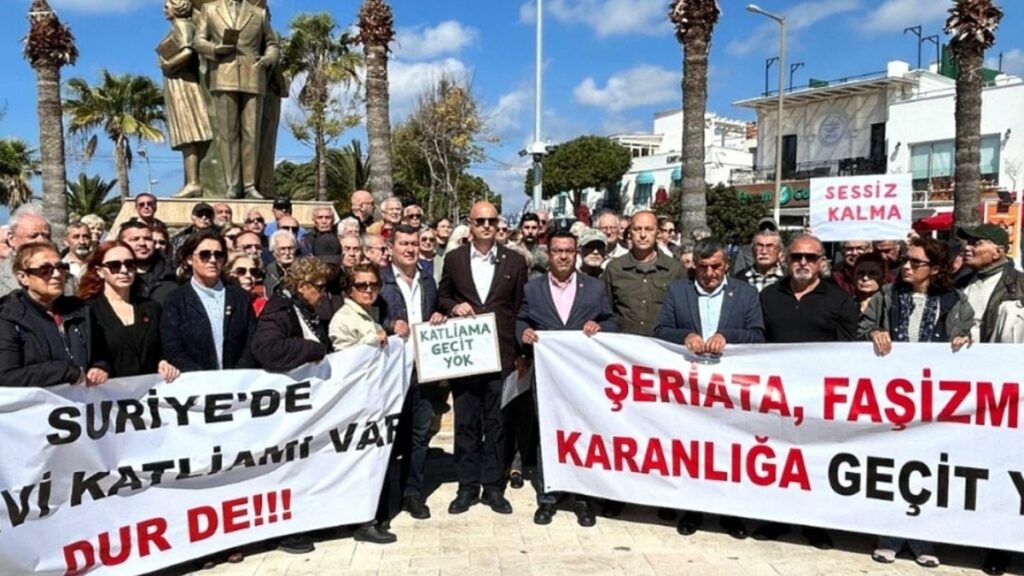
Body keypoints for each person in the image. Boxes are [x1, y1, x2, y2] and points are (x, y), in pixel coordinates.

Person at [858, 237, 972, 568]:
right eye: (906, 261)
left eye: (916, 262)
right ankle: (889, 535)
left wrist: (964, 338)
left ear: (935, 269)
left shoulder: (954, 300)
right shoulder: (888, 296)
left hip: (934, 401)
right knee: (894, 467)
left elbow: (969, 334)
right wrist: (873, 334)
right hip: (892, 399)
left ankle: (924, 538)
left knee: (928, 469)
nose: (906, 267)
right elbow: (863, 328)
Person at [653, 237, 763, 539]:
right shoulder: (678, 292)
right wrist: (684, 336)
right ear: (695, 268)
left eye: (716, 267)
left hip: (730, 388)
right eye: (704, 267)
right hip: (690, 388)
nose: (710, 273)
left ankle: (730, 514)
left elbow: (758, 336)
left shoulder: (745, 293)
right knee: (693, 449)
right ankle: (693, 509)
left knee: (730, 451)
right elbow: (660, 330)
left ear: (725, 265)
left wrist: (727, 336)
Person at [756, 234, 858, 548]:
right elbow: (756, 344)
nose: (803, 262)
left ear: (822, 263)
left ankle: (816, 524)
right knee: (779, 459)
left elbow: (850, 349)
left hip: (820, 396)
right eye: (798, 256)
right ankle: (775, 518)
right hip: (777, 396)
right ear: (785, 259)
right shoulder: (770, 295)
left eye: (811, 258)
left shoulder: (839, 299)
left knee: (815, 461)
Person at [517, 230, 618, 527]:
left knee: (584, 433)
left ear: (576, 254)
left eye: (569, 251)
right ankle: (548, 497)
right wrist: (522, 334)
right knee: (548, 433)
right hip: (547, 376)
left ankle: (584, 499)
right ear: (549, 254)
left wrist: (600, 326)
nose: (563, 256)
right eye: (558, 251)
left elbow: (611, 319)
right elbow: (522, 319)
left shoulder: (595, 288)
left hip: (584, 377)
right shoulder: (532, 289)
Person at [438, 201, 528, 516]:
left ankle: (493, 487)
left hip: (501, 357)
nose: (487, 225)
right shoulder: (454, 259)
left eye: (492, 220)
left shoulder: (515, 262)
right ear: (470, 223)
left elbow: (519, 308)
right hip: (467, 358)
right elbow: (442, 296)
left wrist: (519, 353)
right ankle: (466, 487)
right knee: (465, 424)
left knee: (498, 423)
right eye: (480, 221)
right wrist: (453, 307)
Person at [378, 225, 445, 525]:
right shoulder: (379, 280)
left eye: (414, 243)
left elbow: (437, 310)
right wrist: (391, 324)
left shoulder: (429, 280)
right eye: (403, 243)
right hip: (391, 372)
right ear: (390, 247)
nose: (409, 249)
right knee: (391, 438)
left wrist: (439, 316)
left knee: (419, 436)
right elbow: (372, 317)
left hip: (423, 370)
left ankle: (413, 493)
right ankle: (385, 496)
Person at [194, 0, 278, 199]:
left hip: (254, 76)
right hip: (223, 75)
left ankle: (250, 186)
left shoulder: (259, 13)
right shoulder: (210, 9)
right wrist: (215, 49)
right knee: (227, 134)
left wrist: (269, 57)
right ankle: (232, 185)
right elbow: (198, 41)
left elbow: (272, 43)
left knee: (252, 134)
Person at [0, 242, 109, 387]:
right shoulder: (8, 317)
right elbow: (5, 375)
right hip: (37, 407)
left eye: (61, 267)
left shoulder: (81, 310)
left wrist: (100, 367)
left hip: (81, 405)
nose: (57, 275)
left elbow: (101, 352)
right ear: (23, 277)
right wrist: (63, 372)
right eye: (45, 270)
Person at [77, 241, 180, 381]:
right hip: (106, 396)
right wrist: (98, 368)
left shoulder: (152, 308)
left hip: (148, 395)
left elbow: (161, 349)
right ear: (99, 271)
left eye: (130, 264)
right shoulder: (86, 311)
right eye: (114, 265)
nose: (124, 270)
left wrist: (163, 362)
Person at [160, 230, 257, 372]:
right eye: (205, 254)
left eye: (218, 255)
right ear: (189, 259)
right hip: (196, 385)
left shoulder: (241, 298)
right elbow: (173, 347)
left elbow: (251, 342)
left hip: (237, 384)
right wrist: (203, 380)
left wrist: (237, 375)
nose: (212, 260)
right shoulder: (175, 300)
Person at [159, 0, 214, 199]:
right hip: (178, 83)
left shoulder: (182, 25)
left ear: (178, 7)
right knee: (186, 136)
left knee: (188, 134)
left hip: (184, 84)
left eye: (167, 5)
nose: (164, 9)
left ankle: (193, 182)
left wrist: (168, 65)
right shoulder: (183, 25)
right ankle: (190, 181)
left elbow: (188, 51)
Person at [602, 210, 685, 337]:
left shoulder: (675, 269)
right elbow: (605, 310)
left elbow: (683, 313)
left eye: (649, 229)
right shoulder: (614, 269)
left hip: (662, 346)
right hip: (624, 347)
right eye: (637, 229)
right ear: (630, 233)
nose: (642, 235)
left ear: (657, 233)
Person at [252, 256, 332, 371]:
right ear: (301, 287)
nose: (324, 293)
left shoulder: (308, 311)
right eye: (320, 287)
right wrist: (312, 349)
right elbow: (267, 348)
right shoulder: (279, 310)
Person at [119, 221, 178, 305]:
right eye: (135, 239)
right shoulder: (113, 277)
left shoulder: (171, 274)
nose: (142, 243)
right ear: (121, 244)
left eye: (147, 239)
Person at [0, 204, 52, 297]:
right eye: (33, 236)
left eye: (46, 236)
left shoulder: (64, 276)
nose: (41, 241)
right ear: (12, 239)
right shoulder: (3, 276)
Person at [225, 252, 267, 316]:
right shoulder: (221, 302)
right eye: (241, 271)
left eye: (253, 272)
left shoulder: (265, 306)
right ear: (228, 273)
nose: (248, 275)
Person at [265, 230, 298, 297]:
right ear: (273, 252)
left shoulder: (303, 268)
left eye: (290, 248)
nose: (287, 252)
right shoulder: (268, 272)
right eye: (282, 249)